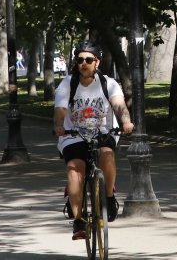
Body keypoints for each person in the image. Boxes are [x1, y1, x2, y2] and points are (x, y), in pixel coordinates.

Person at [53, 40, 134, 240]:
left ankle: (109, 197)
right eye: (80, 59)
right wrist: (59, 126)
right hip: (73, 134)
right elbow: (60, 110)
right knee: (75, 167)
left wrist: (126, 122)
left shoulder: (108, 83)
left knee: (106, 154)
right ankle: (78, 220)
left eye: (89, 59)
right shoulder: (68, 83)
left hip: (103, 131)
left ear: (97, 62)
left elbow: (119, 105)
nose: (84, 63)